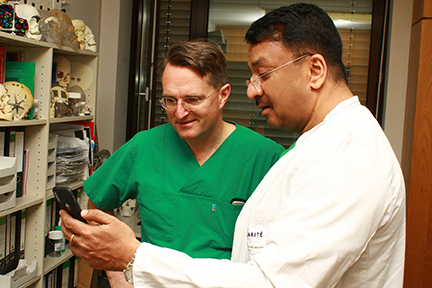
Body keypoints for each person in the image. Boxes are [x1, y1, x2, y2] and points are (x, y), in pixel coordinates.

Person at [61, 3, 406, 287]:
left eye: (264, 74)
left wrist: (135, 258)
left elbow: (272, 283)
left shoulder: (347, 156)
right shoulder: (320, 145)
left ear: (314, 70)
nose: (253, 90)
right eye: (169, 100)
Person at [80, 39, 284, 286]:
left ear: (223, 95)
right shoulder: (145, 146)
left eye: (193, 99)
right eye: (170, 100)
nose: (179, 112)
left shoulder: (266, 157)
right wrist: (118, 275)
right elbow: (98, 204)